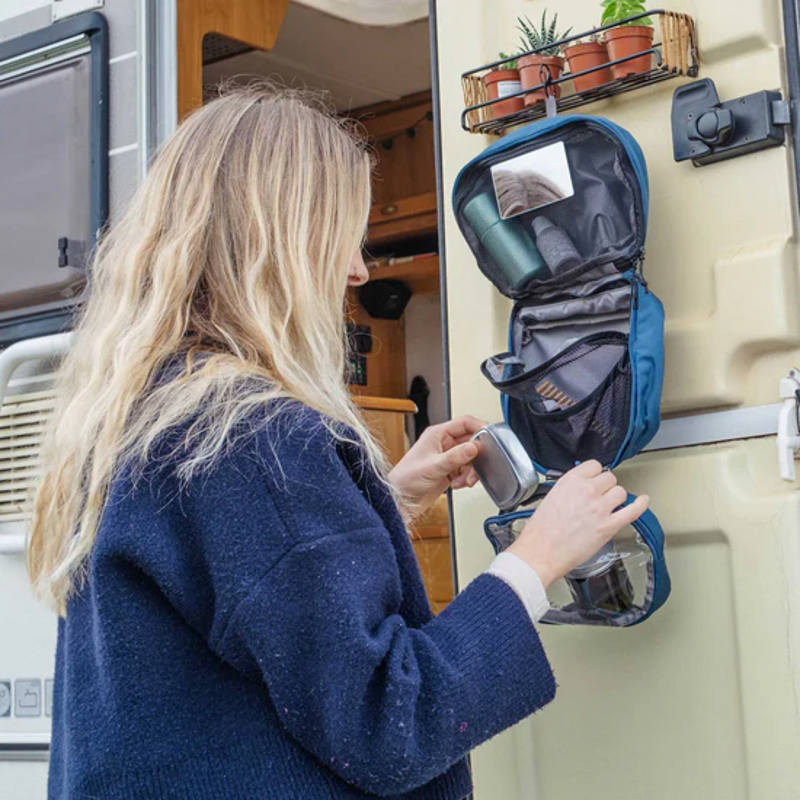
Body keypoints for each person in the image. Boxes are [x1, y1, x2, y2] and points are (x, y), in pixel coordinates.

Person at [29, 85, 648, 799]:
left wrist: (386, 497)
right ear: (280, 243)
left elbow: (246, 587)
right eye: (343, 236)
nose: (358, 269)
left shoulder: (144, 414)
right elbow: (393, 721)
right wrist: (538, 560)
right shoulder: (254, 437)